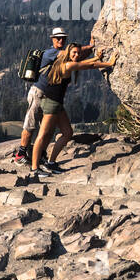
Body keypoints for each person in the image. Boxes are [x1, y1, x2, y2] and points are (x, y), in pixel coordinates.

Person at [29, 42, 114, 180]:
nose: (76, 55)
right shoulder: (68, 65)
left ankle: (51, 162)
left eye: (78, 53)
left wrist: (96, 57)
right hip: (51, 103)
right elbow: (88, 66)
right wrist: (109, 63)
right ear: (68, 53)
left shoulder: (65, 62)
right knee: (42, 135)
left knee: (68, 133)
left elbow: (84, 63)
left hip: (56, 104)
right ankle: (34, 169)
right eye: (73, 52)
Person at [13, 27, 96, 164]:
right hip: (38, 93)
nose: (61, 40)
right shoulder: (52, 53)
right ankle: (21, 154)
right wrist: (90, 47)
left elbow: (76, 57)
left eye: (63, 38)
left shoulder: (62, 54)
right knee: (31, 124)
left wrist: (90, 47)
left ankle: (40, 155)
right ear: (52, 39)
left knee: (47, 130)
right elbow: (73, 55)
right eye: (58, 38)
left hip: (49, 97)